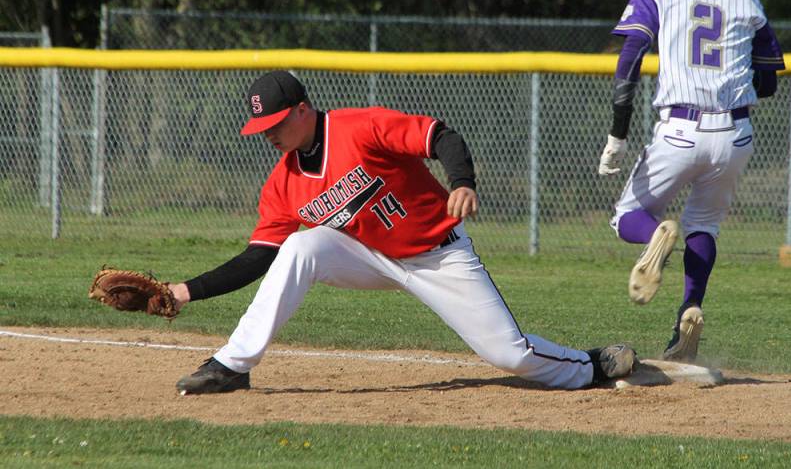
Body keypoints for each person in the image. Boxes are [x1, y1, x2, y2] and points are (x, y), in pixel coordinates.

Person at [171, 70, 636, 394]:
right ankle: (232, 366)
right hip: (369, 256)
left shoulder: (361, 126)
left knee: (509, 356)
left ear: (302, 110)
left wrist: (463, 183)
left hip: (438, 254)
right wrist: (183, 292)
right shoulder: (282, 184)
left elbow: (441, 137)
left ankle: (590, 365)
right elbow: (258, 257)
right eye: (262, 127)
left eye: (274, 123)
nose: (267, 134)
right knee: (300, 246)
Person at [597, 0, 784, 363]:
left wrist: (617, 134)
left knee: (627, 218)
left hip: (680, 128)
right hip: (736, 134)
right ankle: (689, 308)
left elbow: (628, 65)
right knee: (705, 225)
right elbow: (767, 82)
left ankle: (657, 232)